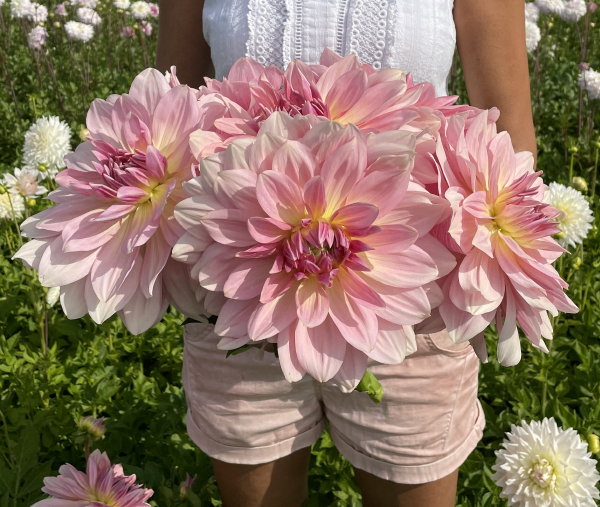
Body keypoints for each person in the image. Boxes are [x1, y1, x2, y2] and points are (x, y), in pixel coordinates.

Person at [157, 1, 536, 506]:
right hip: (238, 289)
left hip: (410, 297)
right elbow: (169, 112)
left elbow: (510, 136)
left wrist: (489, 288)